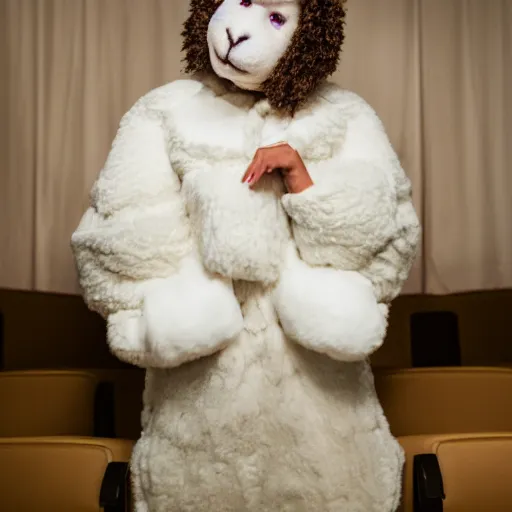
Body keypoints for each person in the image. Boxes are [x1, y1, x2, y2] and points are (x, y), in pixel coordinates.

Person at [72, 1, 420, 510]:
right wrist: (201, 299)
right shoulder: (163, 112)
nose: (241, 28)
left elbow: (389, 250)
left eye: (276, 16)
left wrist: (306, 187)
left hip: (328, 440)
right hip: (195, 430)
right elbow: (112, 253)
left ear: (310, 33)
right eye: (244, 1)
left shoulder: (346, 117)